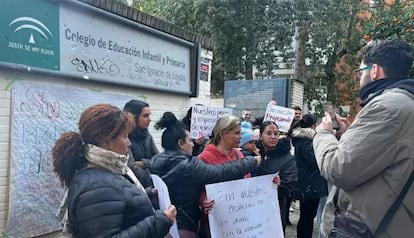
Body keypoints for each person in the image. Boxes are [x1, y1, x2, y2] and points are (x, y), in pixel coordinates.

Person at [313, 39, 414, 237]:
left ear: (374, 70)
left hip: (371, 228)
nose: (360, 79)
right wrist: (349, 134)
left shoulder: (388, 107)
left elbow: (338, 168)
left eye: (360, 72)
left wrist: (323, 133)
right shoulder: (405, 104)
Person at [52, 103, 176, 237]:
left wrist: (147, 195)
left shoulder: (104, 171)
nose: (129, 143)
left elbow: (116, 202)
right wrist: (160, 221)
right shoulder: (97, 187)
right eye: (124, 136)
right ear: (104, 140)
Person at [145, 112, 261, 238]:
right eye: (190, 140)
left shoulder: (154, 161)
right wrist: (251, 161)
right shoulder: (193, 164)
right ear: (180, 144)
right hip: (188, 225)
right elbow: (218, 173)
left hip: (164, 223)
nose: (194, 144)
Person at [253, 121, 297, 234]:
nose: (273, 137)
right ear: (260, 136)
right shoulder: (252, 154)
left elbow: (289, 184)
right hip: (252, 208)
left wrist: (277, 185)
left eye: (276, 133)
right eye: (269, 133)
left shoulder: (287, 157)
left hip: (275, 209)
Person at [289, 114, 328, 238]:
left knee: (306, 216)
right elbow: (314, 161)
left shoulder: (300, 140)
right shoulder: (307, 141)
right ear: (313, 126)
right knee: (308, 217)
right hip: (310, 184)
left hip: (306, 183)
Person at [123, 99, 159, 189]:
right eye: (145, 116)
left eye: (149, 115)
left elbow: (158, 158)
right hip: (133, 186)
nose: (149, 119)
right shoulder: (124, 136)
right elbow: (130, 166)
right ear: (134, 117)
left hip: (150, 184)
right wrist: (148, 176)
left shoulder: (147, 135)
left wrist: (143, 163)